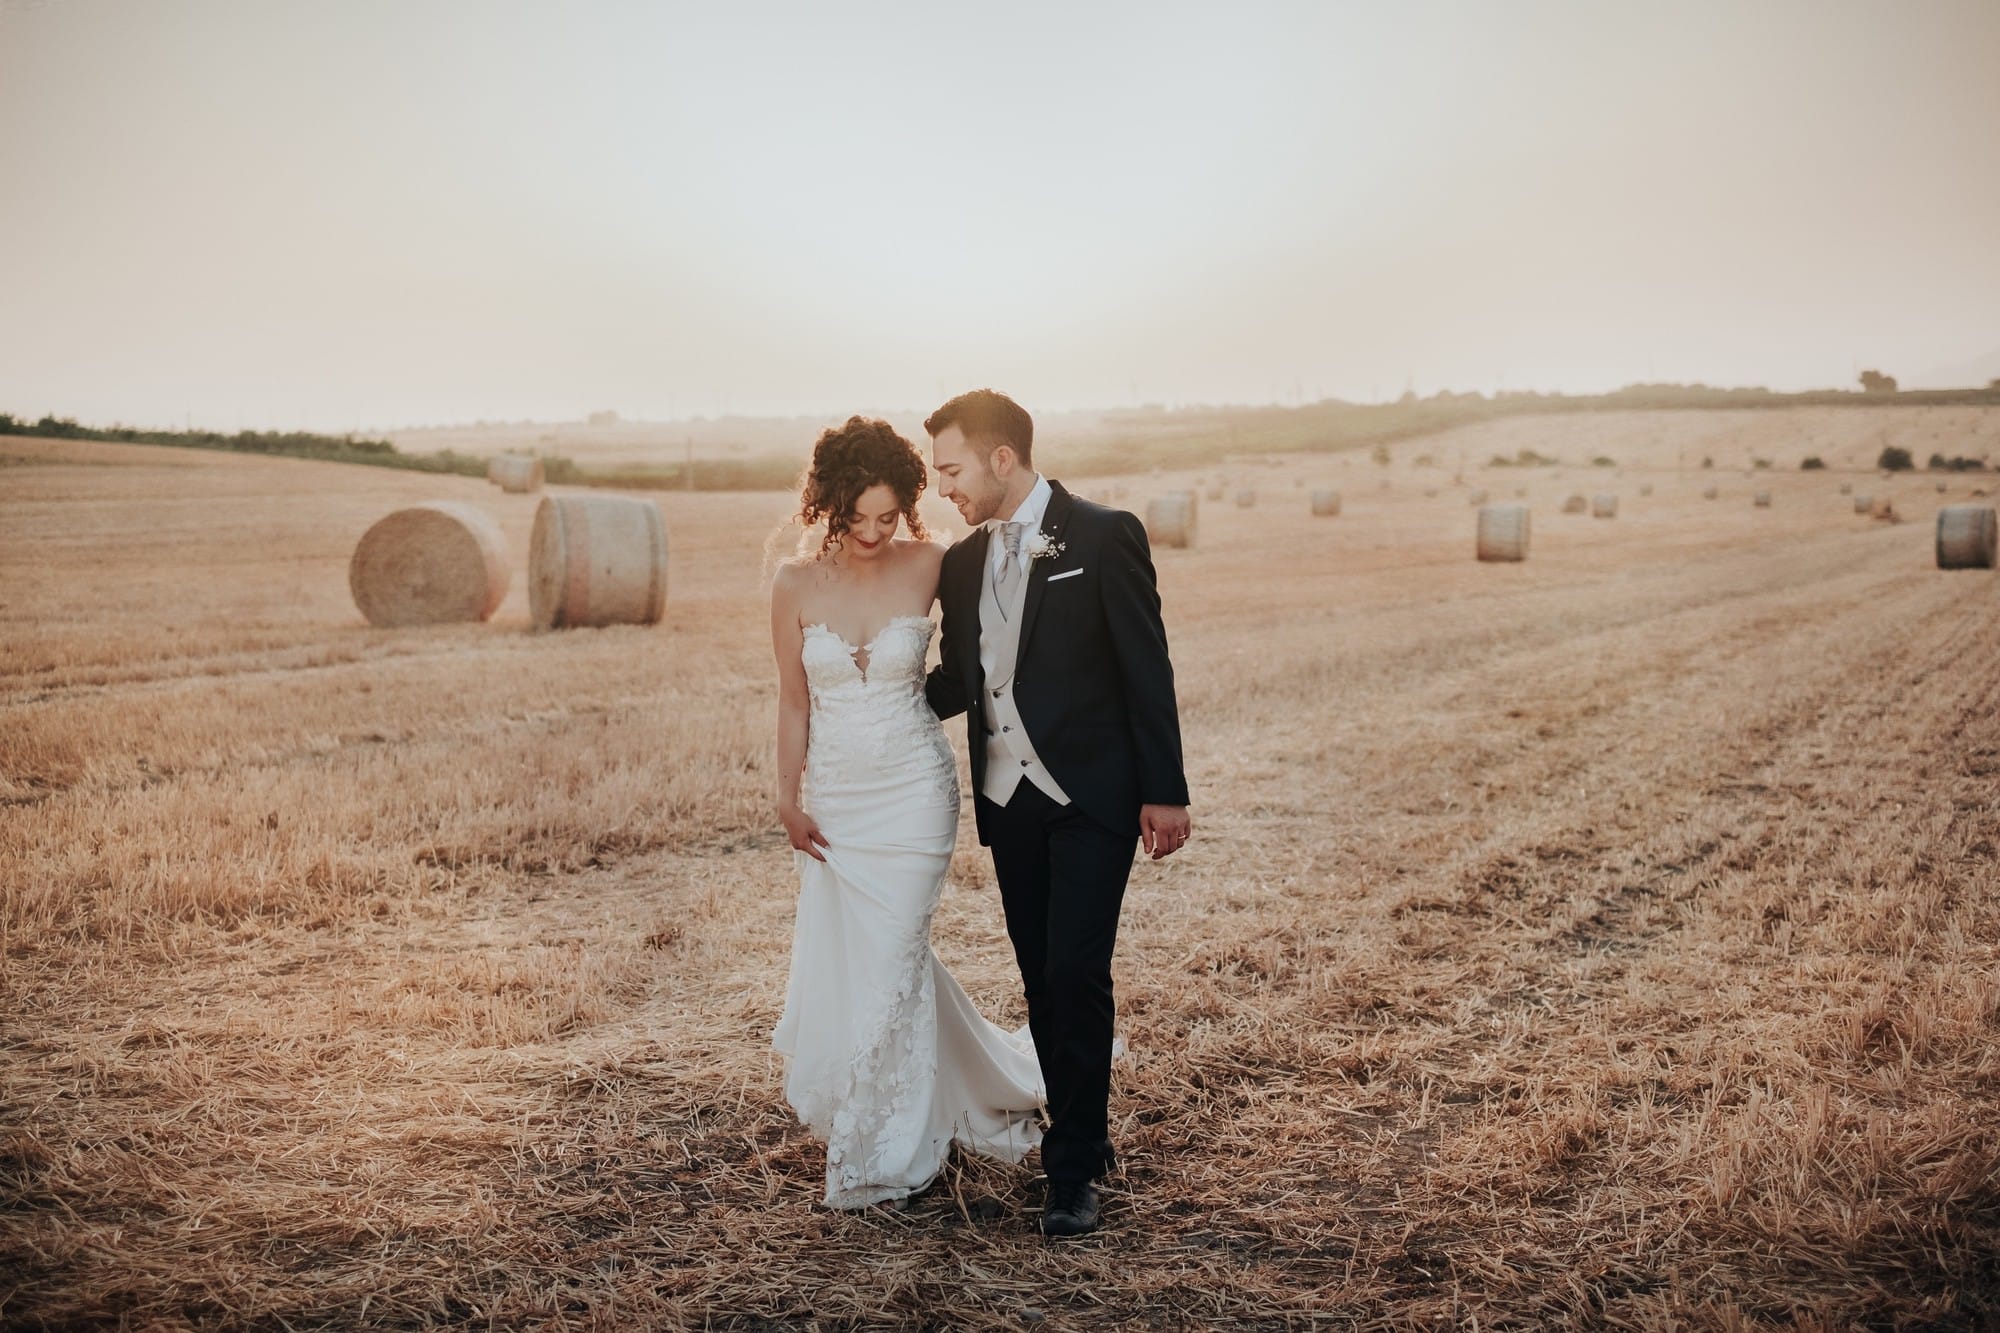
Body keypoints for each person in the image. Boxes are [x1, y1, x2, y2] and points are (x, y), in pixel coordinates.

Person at [923, 389, 1191, 1238]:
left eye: (952, 470)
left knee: (1077, 970)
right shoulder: (961, 565)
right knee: (1041, 976)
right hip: (1012, 802)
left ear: (1003, 459)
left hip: (1092, 796)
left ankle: (1072, 1168)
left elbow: (1146, 668)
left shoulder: (1106, 535)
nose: (944, 490)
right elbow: (960, 684)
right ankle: (1082, 1125)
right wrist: (862, 693)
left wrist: (1165, 787)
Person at [769, 414, 1046, 1210]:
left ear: (909, 507)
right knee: (865, 961)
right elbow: (794, 703)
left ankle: (879, 1144)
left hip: (915, 795)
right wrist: (786, 795)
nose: (872, 531)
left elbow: (985, 644)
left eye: (887, 516)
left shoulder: (933, 563)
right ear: (827, 504)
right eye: (857, 516)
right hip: (838, 801)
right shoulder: (791, 584)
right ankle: (954, 1084)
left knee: (893, 953)